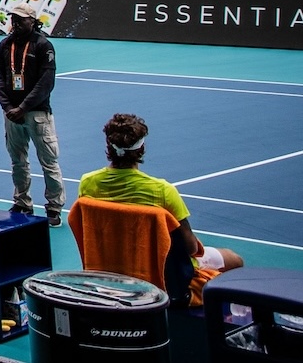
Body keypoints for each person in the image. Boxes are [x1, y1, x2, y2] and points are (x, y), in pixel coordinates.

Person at [78, 113, 243, 298]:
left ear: (109, 147)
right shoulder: (163, 191)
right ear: (141, 148)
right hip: (159, 280)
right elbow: (191, 248)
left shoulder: (87, 183)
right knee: (234, 259)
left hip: (106, 276)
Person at [0, 0, 64, 226]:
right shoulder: (4, 45)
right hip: (11, 115)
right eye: (13, 19)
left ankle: (54, 207)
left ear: (32, 21)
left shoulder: (43, 46)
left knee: (49, 162)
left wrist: (22, 108)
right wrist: (7, 108)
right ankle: (22, 202)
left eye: (20, 20)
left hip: (37, 114)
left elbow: (46, 83)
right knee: (18, 161)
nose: (15, 23)